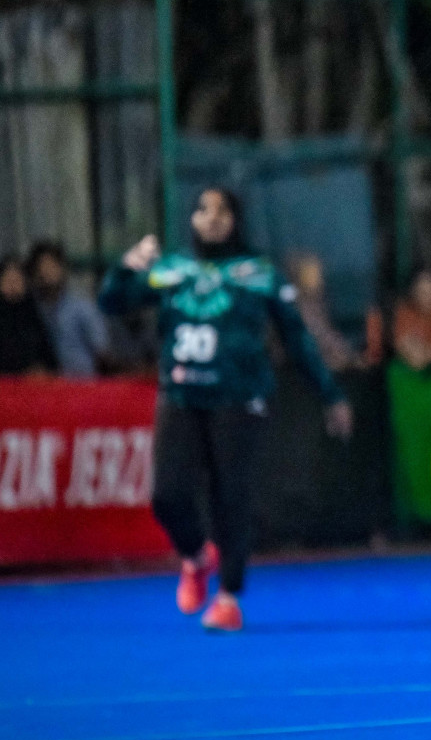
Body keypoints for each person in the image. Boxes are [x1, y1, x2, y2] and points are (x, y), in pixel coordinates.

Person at [98, 188, 354, 632]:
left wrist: (330, 395)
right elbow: (112, 302)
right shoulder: (172, 270)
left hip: (240, 399)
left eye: (223, 211)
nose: (212, 218)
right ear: (192, 219)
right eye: (203, 209)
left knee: (230, 497)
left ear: (236, 220)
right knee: (167, 494)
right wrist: (128, 265)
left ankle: (229, 597)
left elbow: (296, 339)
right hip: (181, 395)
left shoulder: (258, 274)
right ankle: (196, 557)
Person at [26, 241, 110, 377]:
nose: (46, 273)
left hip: (83, 386)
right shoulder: (31, 310)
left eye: (51, 266)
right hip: (48, 388)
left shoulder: (82, 307)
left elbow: (102, 352)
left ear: (62, 269)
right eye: (41, 267)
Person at [0, 254, 57, 375]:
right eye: (8, 280)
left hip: (29, 385)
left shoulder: (33, 315)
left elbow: (47, 356)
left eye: (17, 280)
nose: (13, 285)